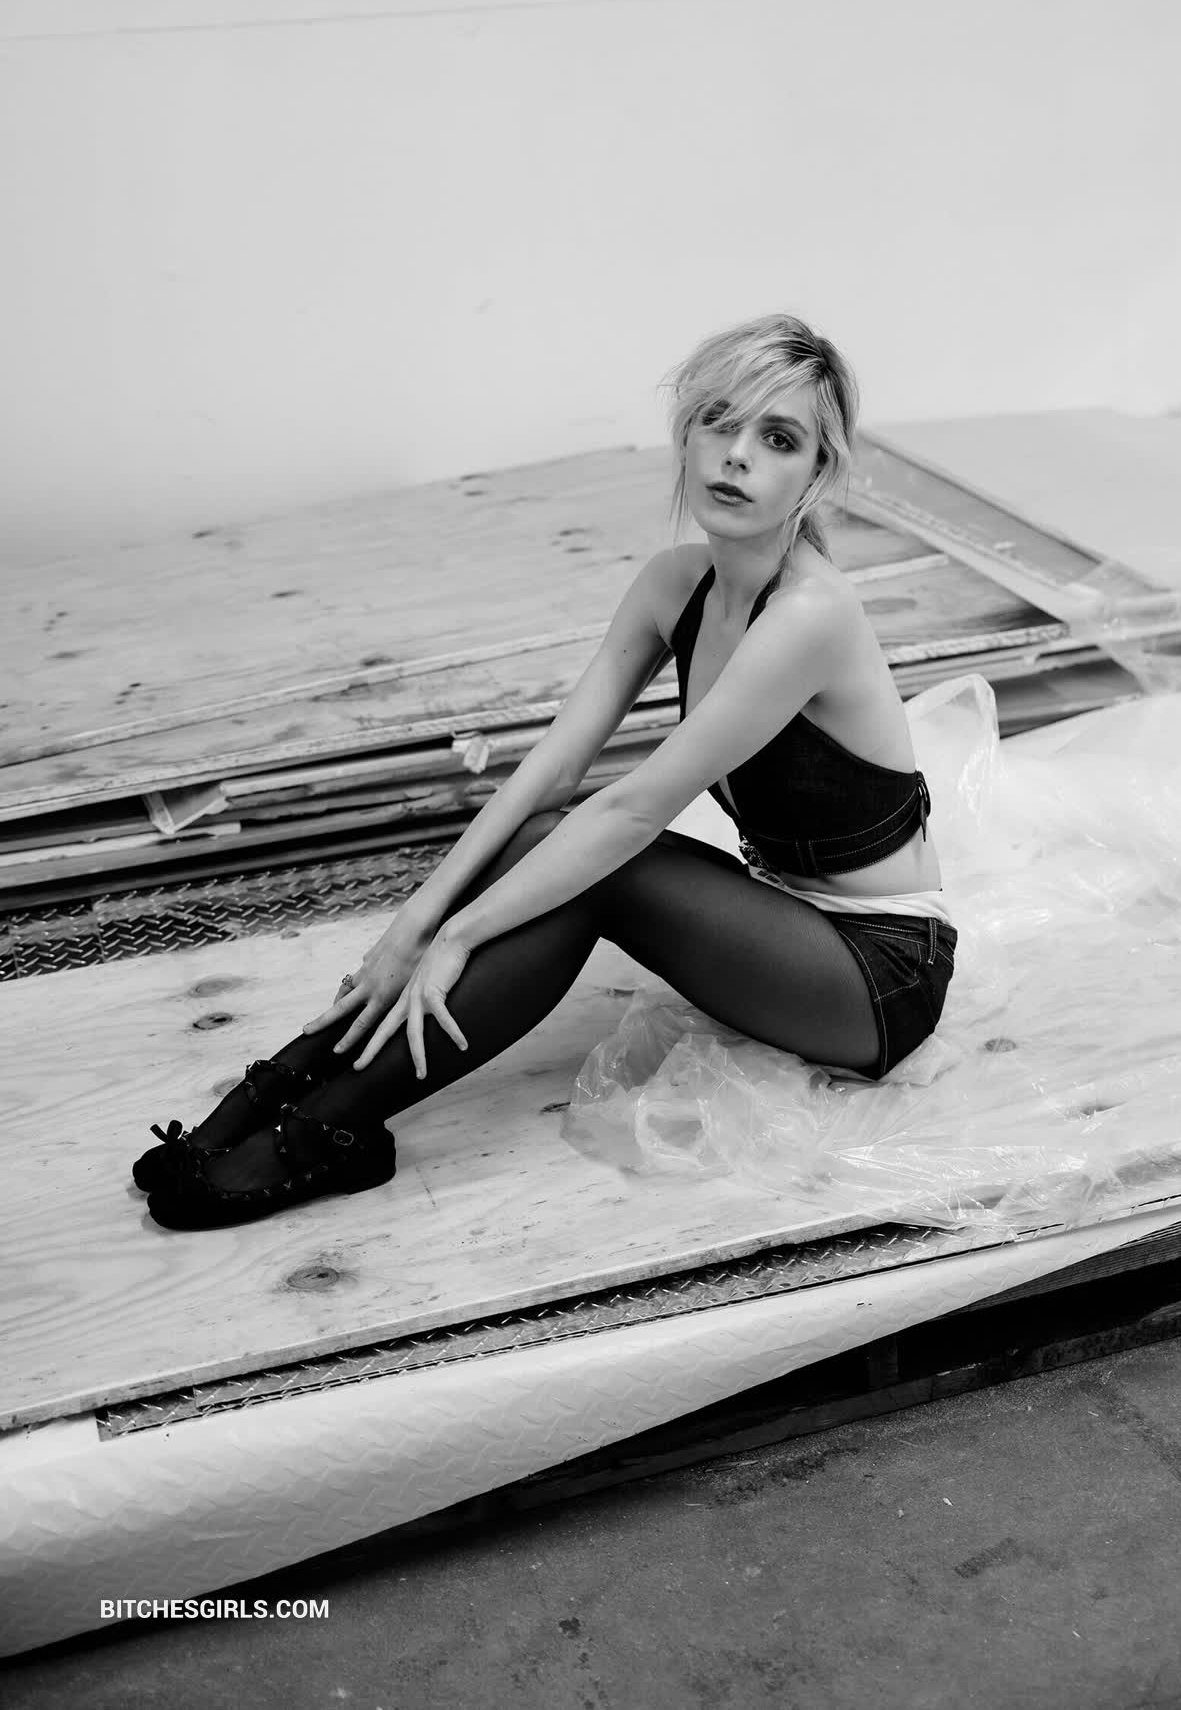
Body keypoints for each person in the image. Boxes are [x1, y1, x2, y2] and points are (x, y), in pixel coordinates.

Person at [136, 313, 956, 1229]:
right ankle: (296, 1079)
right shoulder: (674, 585)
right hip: (786, 930)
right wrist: (414, 923)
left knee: (605, 866)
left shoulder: (807, 614)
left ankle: (329, 1126)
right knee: (540, 836)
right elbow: (553, 769)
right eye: (719, 422)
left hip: (876, 978)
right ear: (685, 434)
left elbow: (635, 810)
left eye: (778, 438)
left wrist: (460, 934)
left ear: (818, 473)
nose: (737, 456)